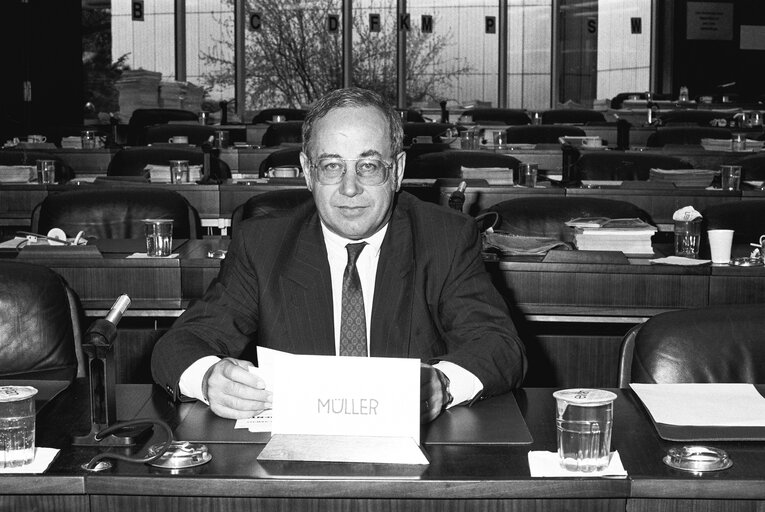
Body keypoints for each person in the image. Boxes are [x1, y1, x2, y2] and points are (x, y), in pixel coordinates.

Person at [151, 87, 526, 423]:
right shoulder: (262, 244)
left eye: (368, 165)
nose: (349, 188)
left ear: (395, 172)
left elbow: (499, 345)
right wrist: (207, 378)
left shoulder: (445, 238)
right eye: (332, 166)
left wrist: (443, 384)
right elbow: (178, 345)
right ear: (307, 172)